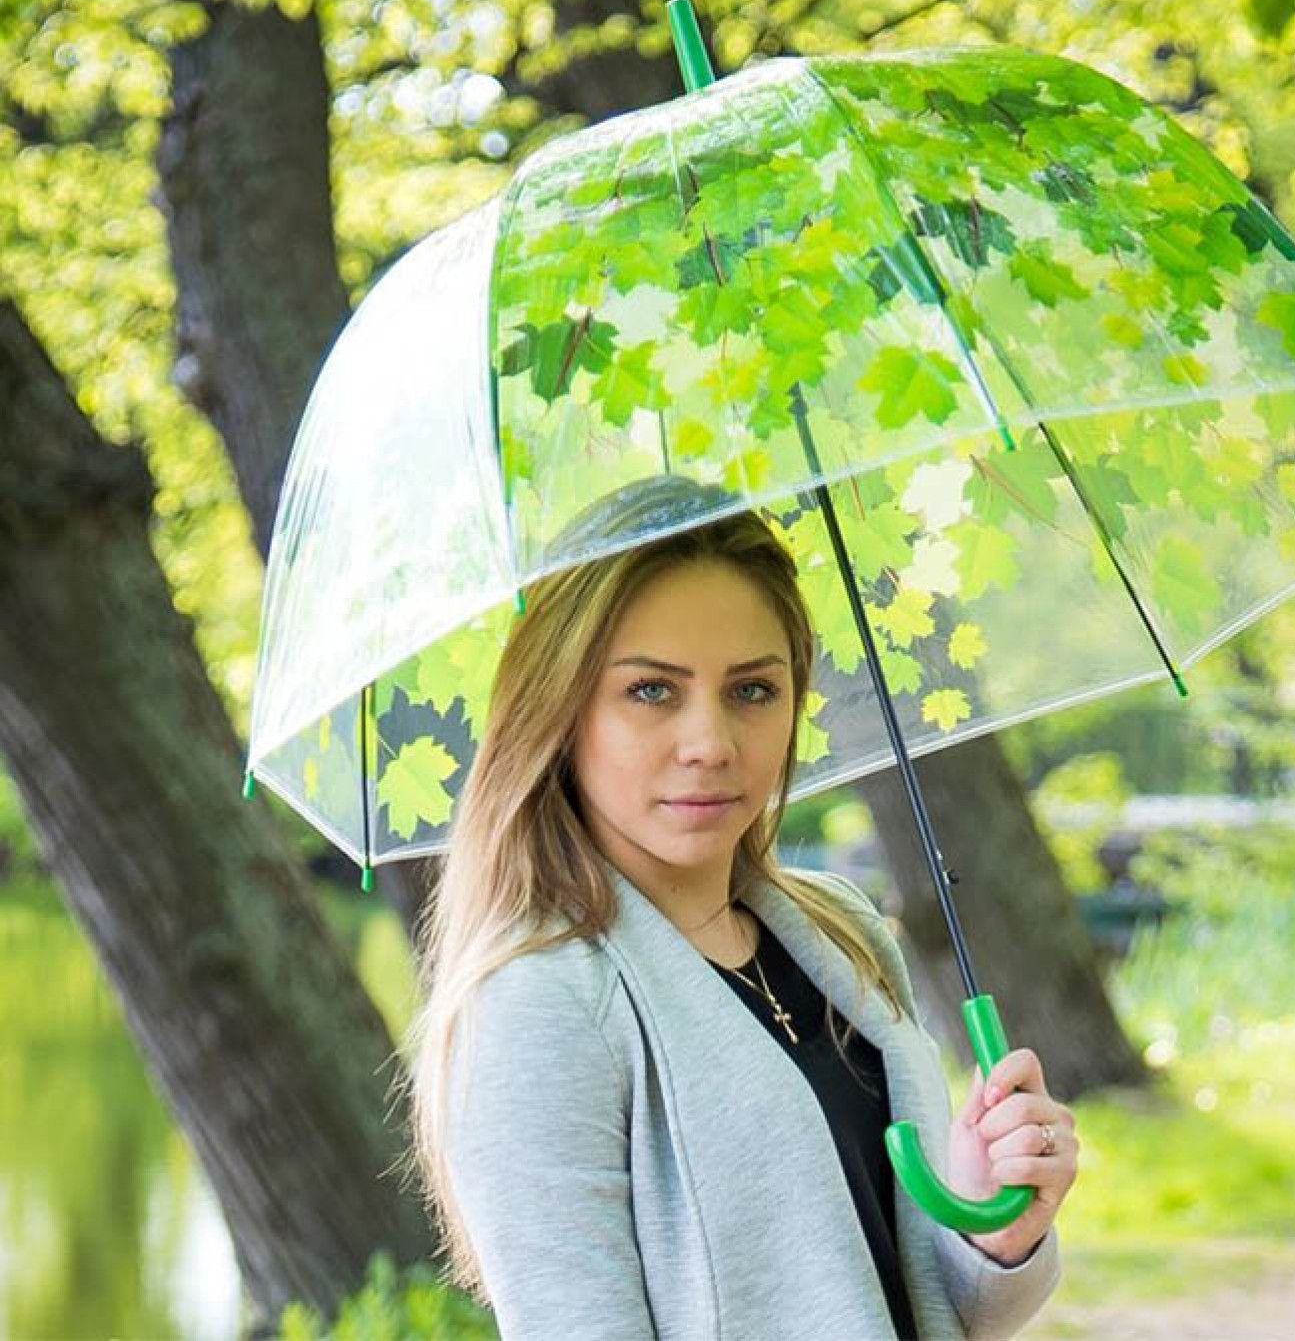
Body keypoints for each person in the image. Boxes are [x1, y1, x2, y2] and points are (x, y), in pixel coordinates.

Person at [400, 475, 1077, 1339]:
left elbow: (927, 1309)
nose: (710, 744)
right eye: (651, 690)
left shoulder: (842, 932)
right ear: (561, 711)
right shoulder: (540, 1006)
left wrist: (997, 1225)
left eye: (752, 689)